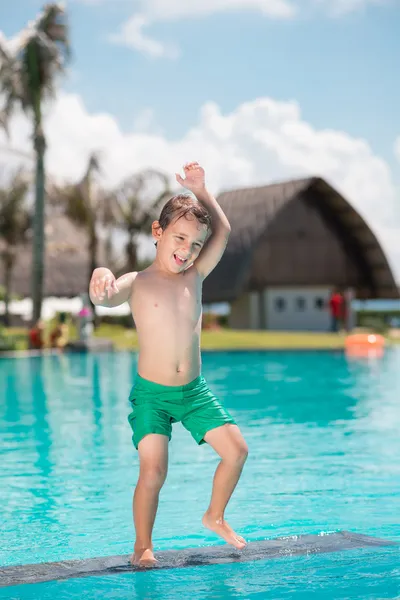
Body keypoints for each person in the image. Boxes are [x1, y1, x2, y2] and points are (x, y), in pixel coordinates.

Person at [89, 162, 248, 567]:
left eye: (195, 245)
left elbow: (224, 231)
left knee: (236, 451)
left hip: (194, 392)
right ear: (158, 234)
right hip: (152, 396)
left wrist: (202, 190)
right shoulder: (138, 282)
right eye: (180, 238)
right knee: (154, 471)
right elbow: (104, 298)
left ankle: (215, 515)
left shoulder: (196, 276)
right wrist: (101, 274)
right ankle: (143, 545)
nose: (187, 250)